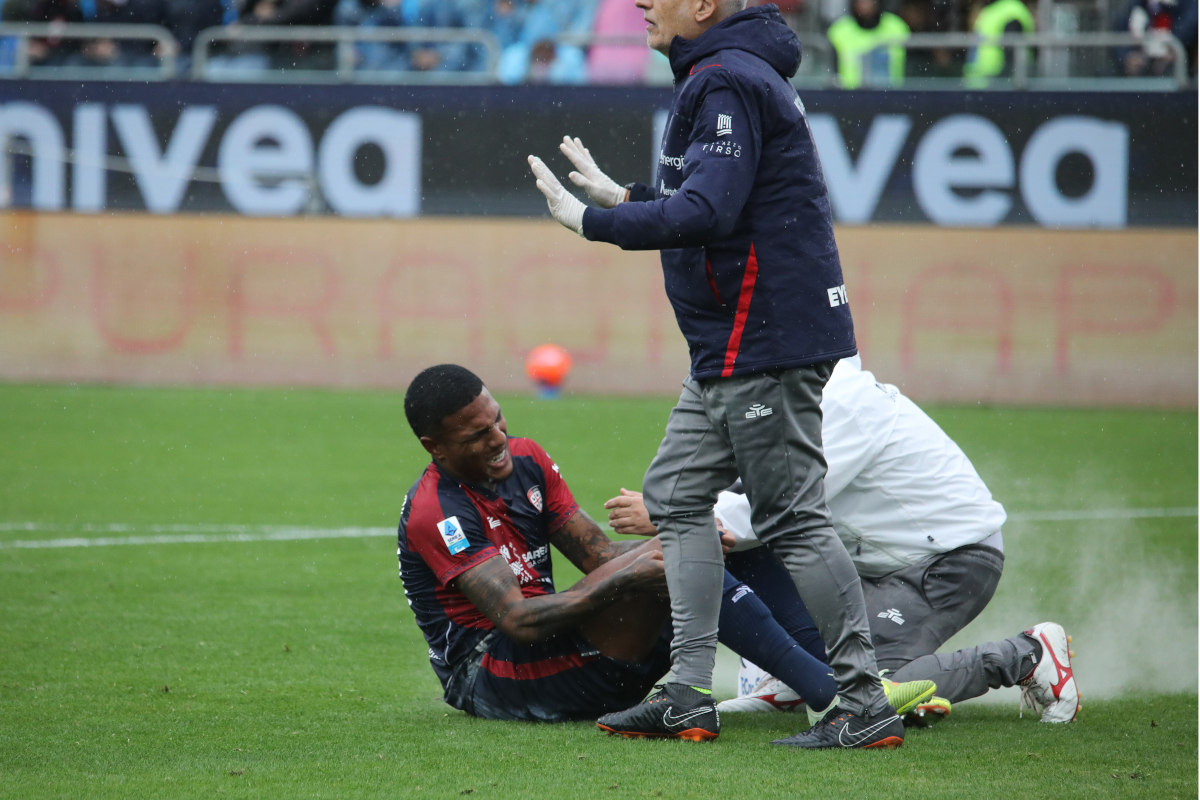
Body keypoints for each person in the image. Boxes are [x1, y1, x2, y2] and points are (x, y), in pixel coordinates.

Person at [527, 0, 900, 749]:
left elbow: (707, 211)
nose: (641, 3)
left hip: (762, 341)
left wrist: (594, 222)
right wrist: (627, 197)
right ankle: (687, 693)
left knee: (792, 518)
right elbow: (724, 202)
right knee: (674, 493)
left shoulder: (725, 78)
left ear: (703, 6)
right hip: (731, 347)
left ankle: (865, 703)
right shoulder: (727, 71)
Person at [396, 364, 935, 729]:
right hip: (492, 673)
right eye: (476, 436)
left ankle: (840, 680)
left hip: (561, 641)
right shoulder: (437, 511)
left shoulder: (527, 459)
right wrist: (643, 568)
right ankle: (830, 692)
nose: (497, 440)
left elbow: (599, 558)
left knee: (712, 542)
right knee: (682, 554)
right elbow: (517, 620)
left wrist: (681, 538)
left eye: (497, 420)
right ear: (433, 446)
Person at [606, 355, 1081, 724]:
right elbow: (745, 488)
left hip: (949, 563)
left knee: (866, 688)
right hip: (875, 565)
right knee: (730, 549)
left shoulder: (844, 404)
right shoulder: (801, 388)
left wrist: (673, 512)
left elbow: (782, 500)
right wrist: (687, 506)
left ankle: (1026, 654)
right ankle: (799, 678)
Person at [827, 0, 910, 88]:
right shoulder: (838, 30)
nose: (865, 4)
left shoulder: (897, 27)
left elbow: (913, 67)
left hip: (895, 92)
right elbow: (831, 72)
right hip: (849, 93)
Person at [963, 0, 1034, 84]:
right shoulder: (995, 9)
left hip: (995, 81)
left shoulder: (1010, 11)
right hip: (983, 81)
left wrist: (1005, 80)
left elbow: (1011, 57)